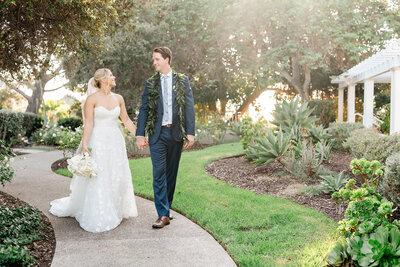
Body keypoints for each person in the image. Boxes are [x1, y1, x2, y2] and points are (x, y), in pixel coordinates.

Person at [49, 68, 138, 233]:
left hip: (115, 141)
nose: (114, 76)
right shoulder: (91, 99)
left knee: (116, 173)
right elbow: (88, 123)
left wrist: (139, 136)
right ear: (104, 79)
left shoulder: (119, 98)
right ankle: (101, 212)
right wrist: (84, 145)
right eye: (111, 75)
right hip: (98, 141)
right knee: (100, 175)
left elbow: (125, 119)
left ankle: (116, 207)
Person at [136, 47, 195, 229]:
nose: (154, 63)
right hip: (158, 134)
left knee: (171, 173)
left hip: (176, 133)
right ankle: (162, 214)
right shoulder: (150, 83)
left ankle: (166, 208)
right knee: (159, 173)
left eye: (157, 59)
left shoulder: (182, 80)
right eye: (153, 60)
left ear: (167, 59)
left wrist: (190, 132)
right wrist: (140, 134)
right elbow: (144, 109)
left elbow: (189, 107)